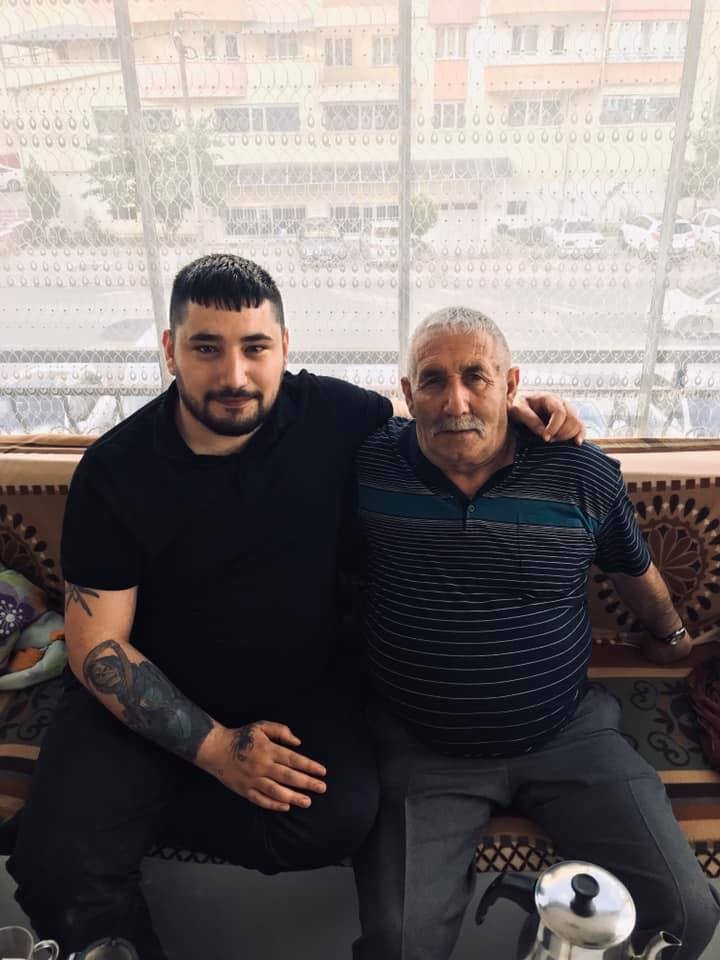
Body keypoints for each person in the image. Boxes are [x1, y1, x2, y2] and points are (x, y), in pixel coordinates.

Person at [6, 256, 583, 959]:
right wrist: (215, 750)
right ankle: (105, 833)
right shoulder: (116, 470)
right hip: (146, 688)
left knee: (340, 816)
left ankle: (123, 812)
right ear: (169, 349)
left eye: (255, 348)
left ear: (284, 347)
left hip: (296, 687)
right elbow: (97, 646)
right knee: (57, 868)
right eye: (206, 348)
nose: (235, 375)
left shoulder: (339, 418)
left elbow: (446, 416)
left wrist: (522, 419)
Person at [351, 306, 720, 960]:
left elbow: (633, 570)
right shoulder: (367, 467)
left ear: (512, 383)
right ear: (407, 392)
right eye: (433, 380)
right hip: (422, 747)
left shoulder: (580, 473)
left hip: (568, 733)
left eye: (477, 377)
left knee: (686, 916)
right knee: (399, 945)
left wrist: (673, 636)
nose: (455, 401)